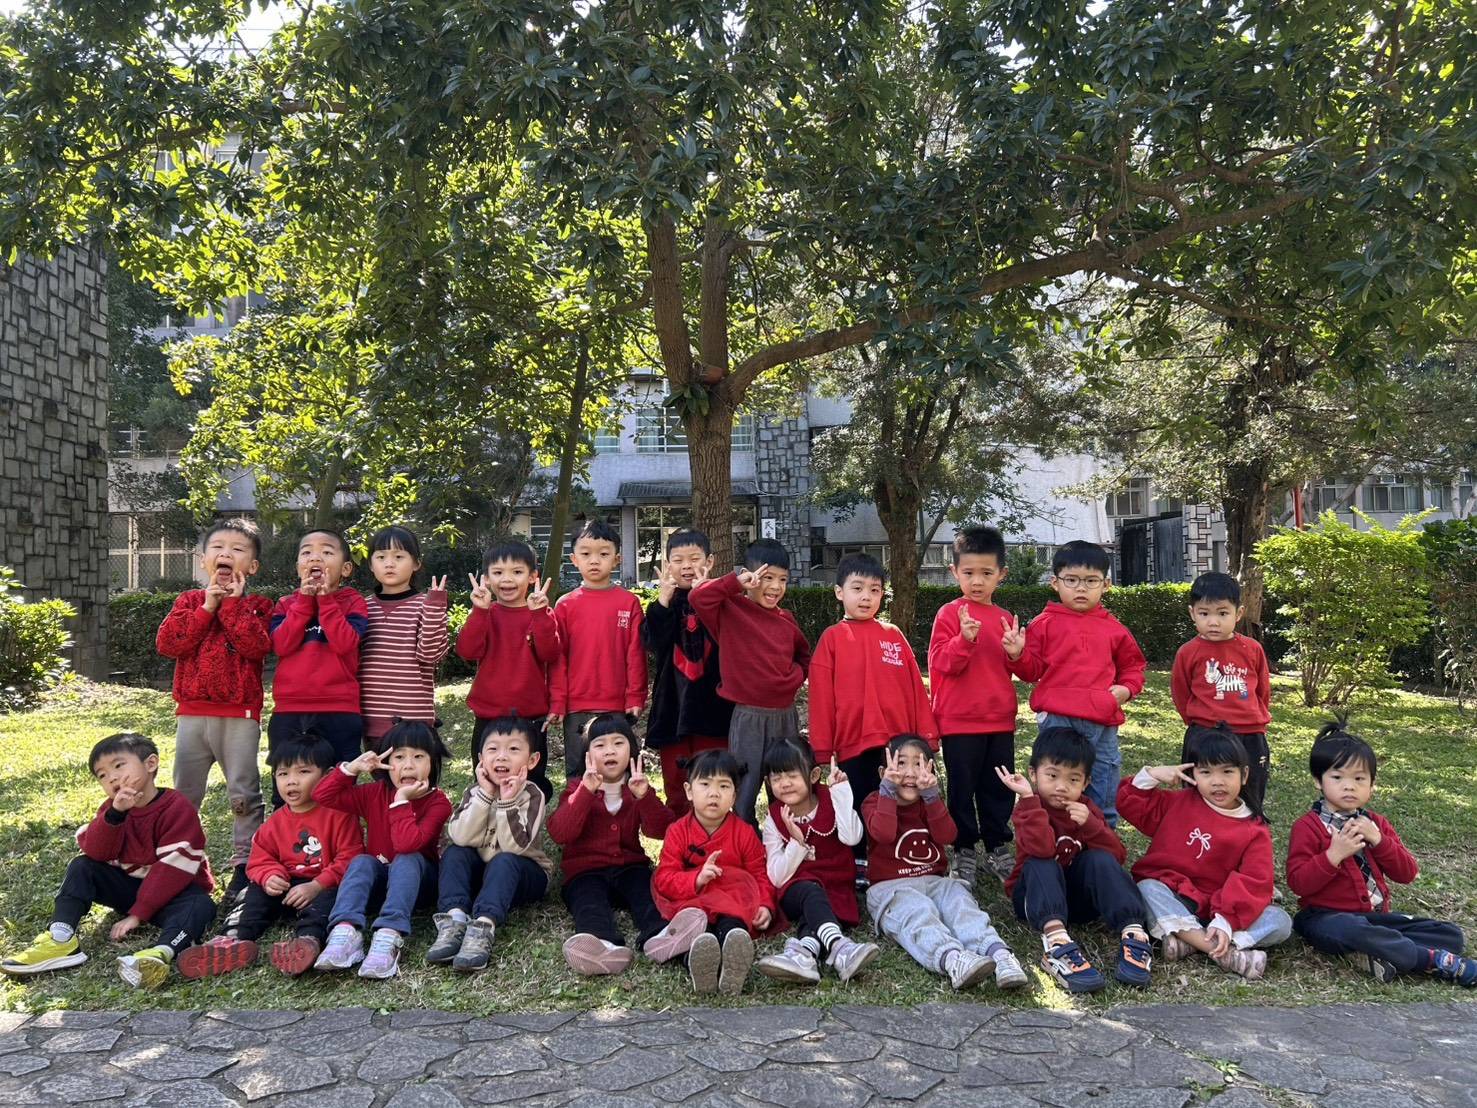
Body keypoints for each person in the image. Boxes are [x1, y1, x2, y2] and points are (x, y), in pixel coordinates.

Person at [1, 733, 215, 990]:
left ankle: (160, 953)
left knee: (201, 906)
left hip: (176, 893)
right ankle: (61, 938)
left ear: (150, 764)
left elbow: (172, 869)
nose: (112, 777)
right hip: (131, 887)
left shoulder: (176, 807)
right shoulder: (111, 808)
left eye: (118, 765)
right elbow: (97, 853)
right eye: (102, 775)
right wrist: (115, 815)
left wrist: (137, 915)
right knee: (82, 866)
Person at [1287, 720, 1474, 985]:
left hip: (1377, 920)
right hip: (1324, 918)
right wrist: (1333, 855)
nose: (1349, 786)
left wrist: (1379, 840)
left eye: (1359, 779)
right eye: (1337, 777)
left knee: (1450, 934)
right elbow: (1298, 883)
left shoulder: (1377, 824)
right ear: (1318, 781)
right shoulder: (1308, 826)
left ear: (1372, 785)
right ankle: (1430, 960)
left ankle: (1374, 954)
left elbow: (1407, 873)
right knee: (1351, 929)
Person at [177, 733, 363, 978]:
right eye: (283, 774)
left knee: (331, 899)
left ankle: (307, 941)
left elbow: (350, 857)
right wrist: (270, 876)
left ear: (328, 776)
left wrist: (317, 885)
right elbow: (259, 859)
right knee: (252, 893)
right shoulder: (275, 822)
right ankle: (231, 940)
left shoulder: (339, 814)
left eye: (303, 772)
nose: (291, 781)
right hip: (284, 887)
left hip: (322, 886)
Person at [155, 517, 272, 905]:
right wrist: (207, 607)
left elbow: (256, 647)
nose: (226, 554)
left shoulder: (258, 606)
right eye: (218, 548)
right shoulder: (188, 602)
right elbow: (169, 644)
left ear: (252, 566)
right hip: (191, 714)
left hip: (239, 716)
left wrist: (233, 605)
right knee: (185, 793)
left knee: (243, 791)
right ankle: (182, 863)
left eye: (238, 550)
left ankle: (245, 864)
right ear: (203, 560)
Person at [1117, 724, 1292, 980]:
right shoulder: (1179, 802)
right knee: (1146, 889)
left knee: (1281, 921)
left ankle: (1190, 941)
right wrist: (1152, 774)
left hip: (1221, 908)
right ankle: (1223, 953)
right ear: (1193, 774)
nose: (1217, 781)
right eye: (1206, 772)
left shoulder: (1254, 828)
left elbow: (1254, 881)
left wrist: (1226, 920)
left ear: (1244, 775)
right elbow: (1129, 802)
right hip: (1176, 896)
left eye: (1227, 772)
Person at [862, 735, 1027, 991]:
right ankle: (953, 959)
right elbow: (883, 833)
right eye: (900, 763)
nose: (910, 773)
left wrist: (932, 798)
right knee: (917, 913)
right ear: (884, 772)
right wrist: (887, 791)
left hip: (935, 881)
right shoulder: (874, 801)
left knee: (960, 902)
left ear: (930, 771)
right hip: (890, 888)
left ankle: (998, 954)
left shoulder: (929, 802)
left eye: (919, 764)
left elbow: (947, 836)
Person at [997, 728, 1152, 994]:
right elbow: (1042, 849)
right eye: (1052, 776)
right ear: (1034, 774)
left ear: (1086, 782)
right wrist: (1028, 799)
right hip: (1034, 898)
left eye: (1073, 779)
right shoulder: (1028, 808)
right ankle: (1057, 943)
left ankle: (1133, 932)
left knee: (1099, 859)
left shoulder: (1086, 808)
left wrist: (1092, 825)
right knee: (1041, 862)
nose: (1062, 786)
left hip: (1077, 903)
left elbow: (1116, 857)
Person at [1004, 540, 1146, 826]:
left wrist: (1126, 689)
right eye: (1072, 580)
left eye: (1091, 581)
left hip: (1102, 720)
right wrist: (1017, 654)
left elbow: (1133, 666)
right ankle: (1053, 835)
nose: (1081, 588)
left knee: (1103, 777)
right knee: (1056, 780)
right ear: (1055, 583)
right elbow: (1031, 671)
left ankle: (1101, 836)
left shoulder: (1114, 628)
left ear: (1106, 585)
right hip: (1058, 718)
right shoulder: (1044, 624)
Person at [809, 554, 937, 867]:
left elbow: (915, 688)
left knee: (897, 801)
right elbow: (821, 698)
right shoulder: (832, 638)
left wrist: (927, 737)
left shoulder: (893, 635)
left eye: (875, 590)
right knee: (857, 801)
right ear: (839, 592)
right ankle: (858, 861)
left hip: (897, 744)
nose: (866, 596)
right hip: (852, 741)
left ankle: (897, 857)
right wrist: (822, 749)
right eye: (857, 588)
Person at [547, 714, 694, 975]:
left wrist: (644, 797)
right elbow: (560, 832)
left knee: (647, 896)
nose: (610, 751)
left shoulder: (636, 787)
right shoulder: (576, 788)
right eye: (600, 745)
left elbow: (662, 830)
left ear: (631, 750)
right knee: (589, 904)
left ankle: (662, 937)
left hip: (630, 866)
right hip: (584, 872)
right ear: (588, 755)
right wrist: (585, 791)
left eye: (618, 743)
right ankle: (602, 946)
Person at [311, 721, 453, 979]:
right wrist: (352, 768)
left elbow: (407, 845)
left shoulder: (438, 803)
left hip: (419, 887)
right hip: (380, 883)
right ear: (386, 763)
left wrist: (401, 802)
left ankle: (389, 934)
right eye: (399, 757)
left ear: (432, 762)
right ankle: (345, 932)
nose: (408, 765)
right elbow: (323, 795)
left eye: (418, 757)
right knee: (362, 861)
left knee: (407, 858)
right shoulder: (374, 793)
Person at [689, 538, 812, 825]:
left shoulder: (786, 619)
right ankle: (746, 838)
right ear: (749, 575)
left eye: (782, 579)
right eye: (767, 577)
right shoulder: (730, 610)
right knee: (744, 788)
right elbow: (698, 598)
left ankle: (785, 836)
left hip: (785, 716)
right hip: (748, 718)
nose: (775, 587)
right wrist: (735, 582)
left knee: (787, 786)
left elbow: (804, 656)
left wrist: (792, 679)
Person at [927, 524, 1021, 885]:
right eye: (968, 573)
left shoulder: (1004, 618)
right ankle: (964, 847)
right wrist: (964, 640)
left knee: (998, 787)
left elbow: (1026, 670)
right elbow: (941, 664)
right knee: (962, 789)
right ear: (954, 571)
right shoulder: (949, 614)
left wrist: (1018, 653)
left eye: (986, 573)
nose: (977, 581)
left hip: (999, 721)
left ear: (1001, 574)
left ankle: (997, 844)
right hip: (959, 722)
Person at [429, 714, 554, 973]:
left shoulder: (532, 794)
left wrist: (507, 801)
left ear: (532, 760)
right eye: (493, 749)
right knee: (455, 852)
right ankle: (454, 920)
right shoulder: (474, 792)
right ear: (481, 759)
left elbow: (514, 847)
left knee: (504, 860)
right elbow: (461, 837)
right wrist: (486, 795)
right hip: (484, 875)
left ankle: (483, 927)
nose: (502, 757)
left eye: (514, 749)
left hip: (524, 874)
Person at [754, 740, 880, 985]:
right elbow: (777, 877)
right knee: (811, 892)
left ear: (813, 775)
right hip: (796, 890)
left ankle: (804, 953)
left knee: (818, 911)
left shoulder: (830, 798)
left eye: (792, 775)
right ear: (768, 782)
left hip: (836, 884)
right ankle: (839, 946)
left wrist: (842, 794)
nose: (785, 783)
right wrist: (796, 843)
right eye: (777, 778)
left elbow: (852, 838)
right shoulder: (774, 817)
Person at [652, 749, 777, 994]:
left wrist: (765, 904)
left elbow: (760, 874)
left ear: (734, 795)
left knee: (732, 924)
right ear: (689, 790)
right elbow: (665, 877)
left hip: (732, 898)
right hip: (693, 900)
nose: (714, 793)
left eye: (724, 786)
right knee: (697, 932)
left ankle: (733, 953)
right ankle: (697, 962)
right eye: (705, 784)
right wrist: (696, 879)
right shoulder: (678, 831)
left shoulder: (744, 832)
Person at [267, 529, 370, 802]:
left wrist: (325, 601)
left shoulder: (353, 602)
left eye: (326, 552)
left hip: (339, 708)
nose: (315, 557)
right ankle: (286, 829)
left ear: (345, 569)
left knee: (340, 785)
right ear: (298, 567)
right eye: (307, 552)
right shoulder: (286, 604)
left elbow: (345, 643)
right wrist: (304, 601)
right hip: (290, 709)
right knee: (287, 787)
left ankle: (339, 830)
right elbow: (281, 645)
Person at [456, 541, 560, 799]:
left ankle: (527, 823)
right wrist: (479, 611)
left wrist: (540, 615)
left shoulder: (542, 613)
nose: (507, 579)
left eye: (517, 571)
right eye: (498, 572)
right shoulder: (486, 613)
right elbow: (467, 651)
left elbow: (550, 653)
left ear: (533, 576)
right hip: (488, 717)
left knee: (531, 784)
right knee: (487, 782)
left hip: (530, 717)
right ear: (486, 578)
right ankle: (488, 824)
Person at [641, 528, 733, 815]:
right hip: (672, 707)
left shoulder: (722, 602)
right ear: (668, 565)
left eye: (695, 558)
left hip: (714, 707)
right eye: (678, 560)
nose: (687, 566)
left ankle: (717, 832)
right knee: (676, 781)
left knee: (715, 776)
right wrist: (662, 601)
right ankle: (678, 837)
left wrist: (706, 597)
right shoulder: (664, 604)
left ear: (710, 561)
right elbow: (653, 643)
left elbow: (729, 640)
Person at [549, 519, 647, 776]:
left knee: (619, 772)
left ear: (617, 559)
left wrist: (635, 696)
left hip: (616, 705)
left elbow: (635, 654)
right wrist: (557, 702)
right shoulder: (565, 605)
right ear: (574, 559)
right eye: (586, 554)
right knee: (578, 773)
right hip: (577, 705)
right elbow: (558, 659)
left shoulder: (628, 602)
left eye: (603, 554)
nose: (594, 561)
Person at [1170, 571, 1272, 813]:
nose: (1213, 622)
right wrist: (1198, 722)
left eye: (1223, 613)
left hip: (1249, 734)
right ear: (1192, 613)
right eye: (1204, 614)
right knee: (1199, 792)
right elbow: (1181, 692)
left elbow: (1262, 691)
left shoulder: (1252, 649)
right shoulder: (1188, 652)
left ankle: (1249, 830)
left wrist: (1255, 719)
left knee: (1250, 792)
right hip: (1205, 734)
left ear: (1238, 613)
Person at [360, 525, 450, 746]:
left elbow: (430, 655)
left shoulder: (426, 606)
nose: (389, 563)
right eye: (381, 557)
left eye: (399, 556)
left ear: (416, 563)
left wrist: (435, 607)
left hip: (414, 721)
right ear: (371, 564)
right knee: (378, 770)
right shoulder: (361, 607)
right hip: (371, 719)